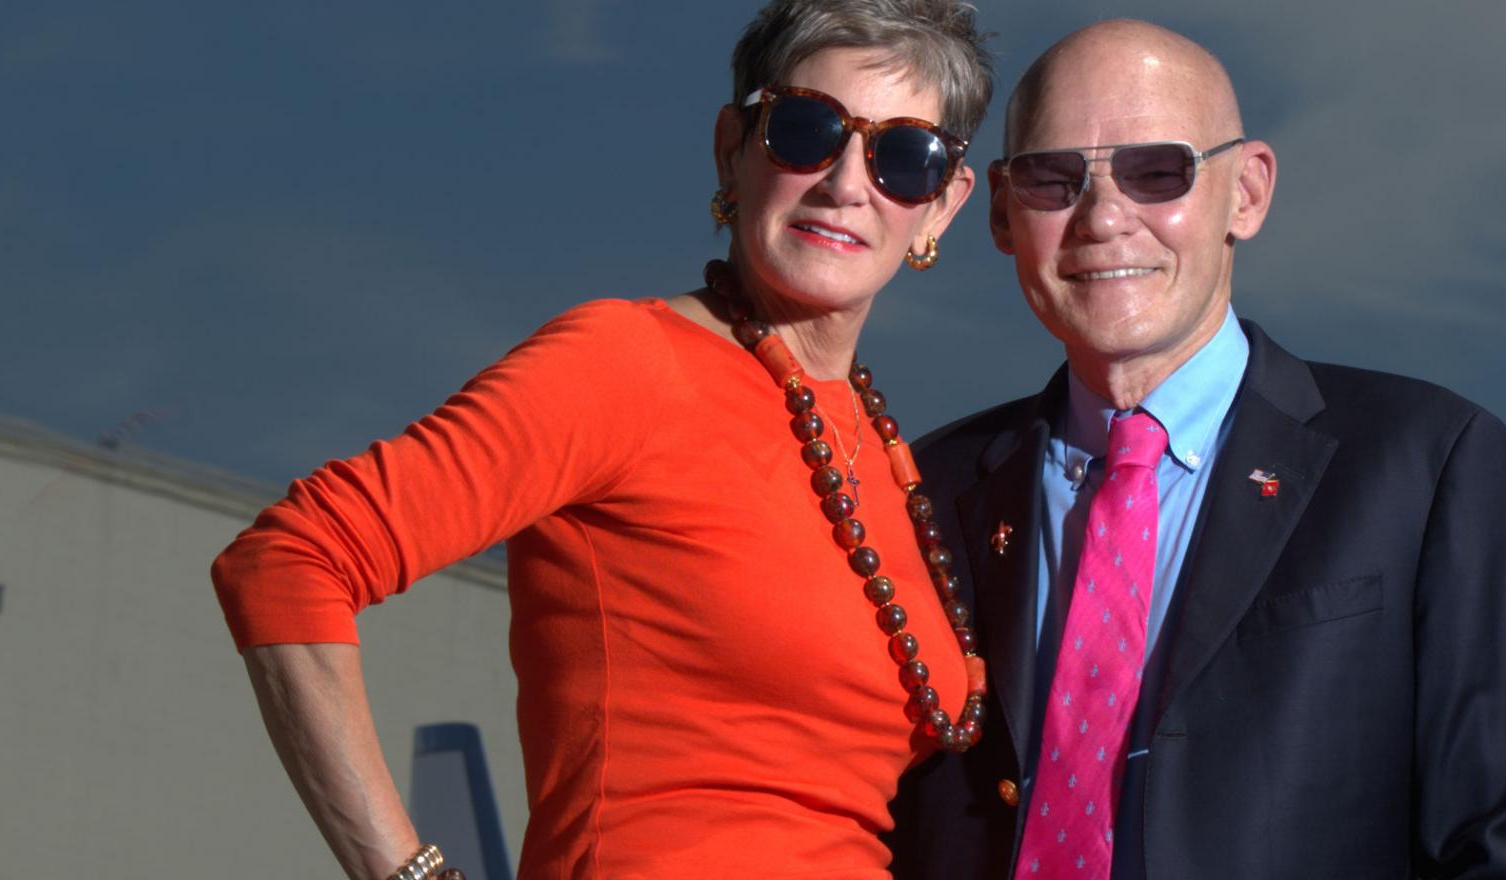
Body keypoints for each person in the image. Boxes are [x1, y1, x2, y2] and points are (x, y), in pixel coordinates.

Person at [210, 2, 994, 877]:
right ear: (732, 144)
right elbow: (290, 561)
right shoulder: (626, 366)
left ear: (942, 207)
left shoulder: (891, 465)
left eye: (903, 158)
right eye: (807, 130)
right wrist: (407, 873)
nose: (848, 183)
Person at [886, 19, 1506, 879]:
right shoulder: (924, 490)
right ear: (999, 211)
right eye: (1054, 179)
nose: (1103, 217)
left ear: (1246, 192)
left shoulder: (1426, 466)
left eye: (1156, 171)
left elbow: (1499, 851)